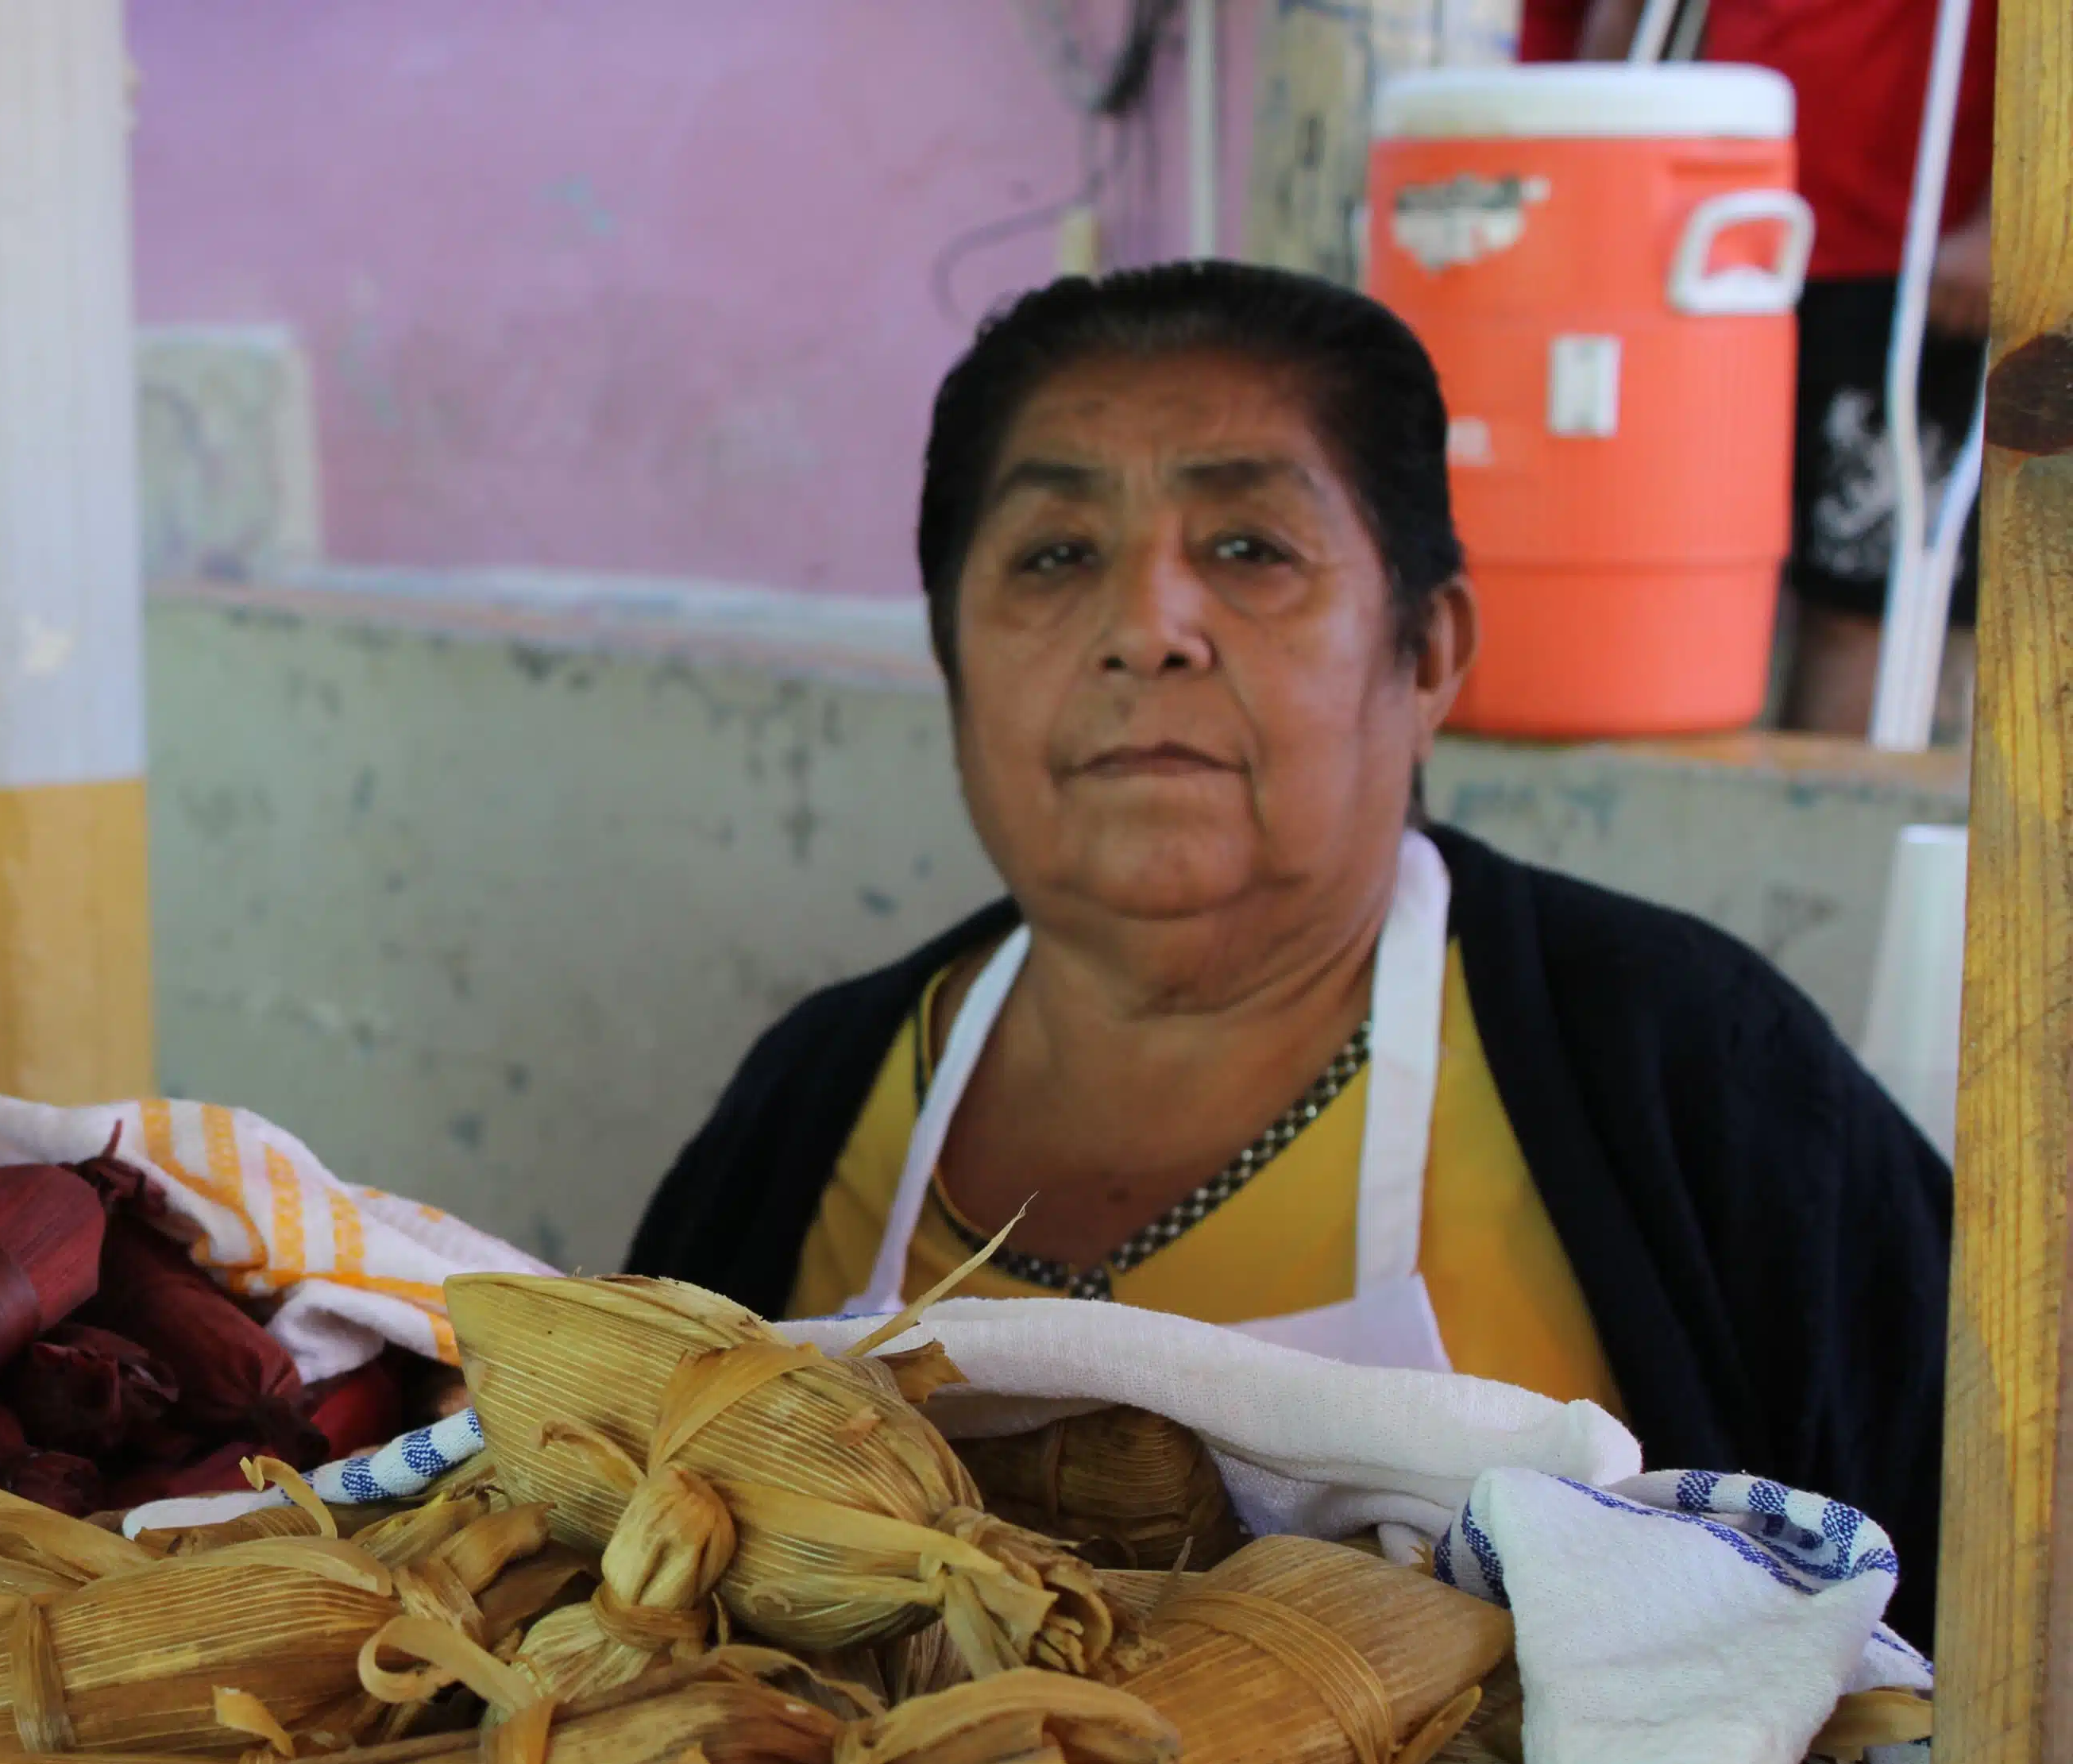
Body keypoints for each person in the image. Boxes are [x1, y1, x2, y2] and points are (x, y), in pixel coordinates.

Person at [631, 263, 1948, 1646]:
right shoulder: (808, 1105)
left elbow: (1987, 1627)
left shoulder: (1682, 1067)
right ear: (954, 658)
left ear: (1428, 651)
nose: (1147, 628)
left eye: (1251, 548)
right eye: (1055, 555)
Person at [1532, 0, 1997, 735]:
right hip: (1704, 242)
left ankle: (1819, 832)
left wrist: (2002, 221)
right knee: (1670, 571)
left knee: (1859, 601)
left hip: (1902, 263)